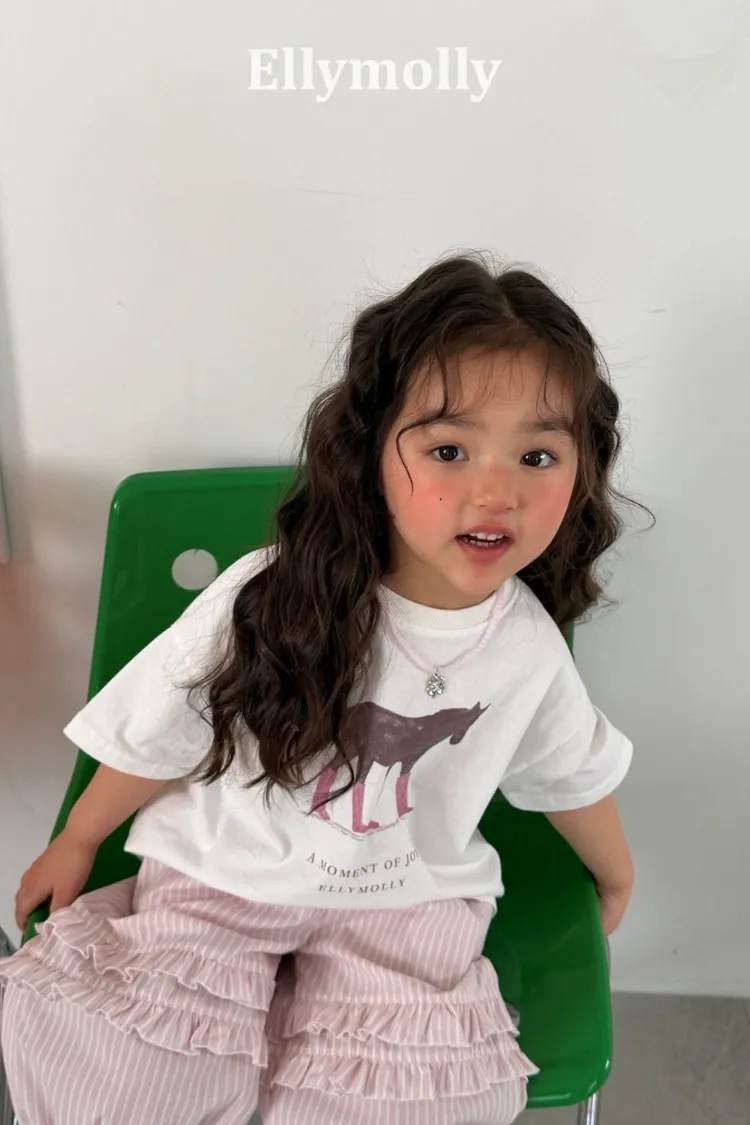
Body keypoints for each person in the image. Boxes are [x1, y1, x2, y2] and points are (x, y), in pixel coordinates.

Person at [1, 253, 636, 1125]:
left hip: (407, 898)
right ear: (373, 450)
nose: (496, 491)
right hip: (226, 870)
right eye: (449, 449)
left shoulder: (527, 646)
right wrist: (80, 835)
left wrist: (615, 873)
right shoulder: (272, 590)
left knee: (399, 1103)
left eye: (537, 455)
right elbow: (165, 724)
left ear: (581, 468)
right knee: (129, 1075)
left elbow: (569, 771)